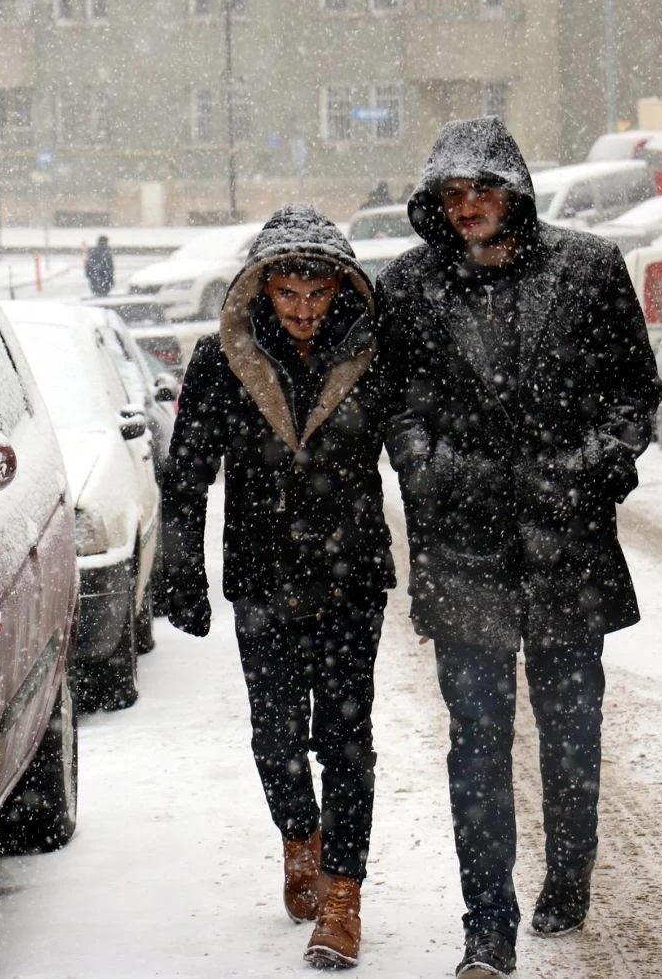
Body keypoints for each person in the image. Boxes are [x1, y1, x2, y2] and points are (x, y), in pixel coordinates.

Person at [374, 117, 662, 979]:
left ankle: (568, 875)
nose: (469, 207)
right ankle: (487, 924)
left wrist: (594, 468)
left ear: (517, 191)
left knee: (572, 733)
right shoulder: (410, 289)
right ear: (435, 203)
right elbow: (398, 405)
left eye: (484, 189)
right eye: (453, 194)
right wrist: (432, 469)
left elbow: (633, 392)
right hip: (462, 549)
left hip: (567, 541)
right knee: (478, 739)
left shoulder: (588, 271)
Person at [160, 204, 394, 970]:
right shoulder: (221, 360)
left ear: (338, 292)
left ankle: (342, 899)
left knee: (348, 741)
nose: (301, 310)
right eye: (287, 294)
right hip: (261, 577)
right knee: (276, 736)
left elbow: (417, 461)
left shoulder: (370, 357)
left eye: (316, 294)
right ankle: (300, 838)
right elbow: (186, 477)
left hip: (352, 575)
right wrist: (180, 570)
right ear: (263, 291)